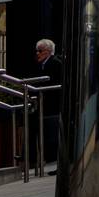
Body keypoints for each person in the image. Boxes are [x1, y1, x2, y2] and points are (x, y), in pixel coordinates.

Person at [31, 39, 62, 174]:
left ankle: (55, 161)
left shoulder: (55, 63)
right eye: (37, 50)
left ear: (48, 51)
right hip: (43, 106)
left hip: (53, 106)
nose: (37, 53)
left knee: (54, 135)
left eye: (40, 51)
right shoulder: (39, 65)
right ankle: (36, 159)